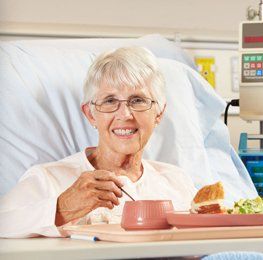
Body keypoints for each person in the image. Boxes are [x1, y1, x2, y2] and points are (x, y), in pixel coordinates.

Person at [0, 47, 197, 238]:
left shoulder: (178, 182)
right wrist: (62, 208)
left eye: (137, 100)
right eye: (110, 101)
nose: (125, 115)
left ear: (159, 113)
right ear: (90, 114)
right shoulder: (48, 179)